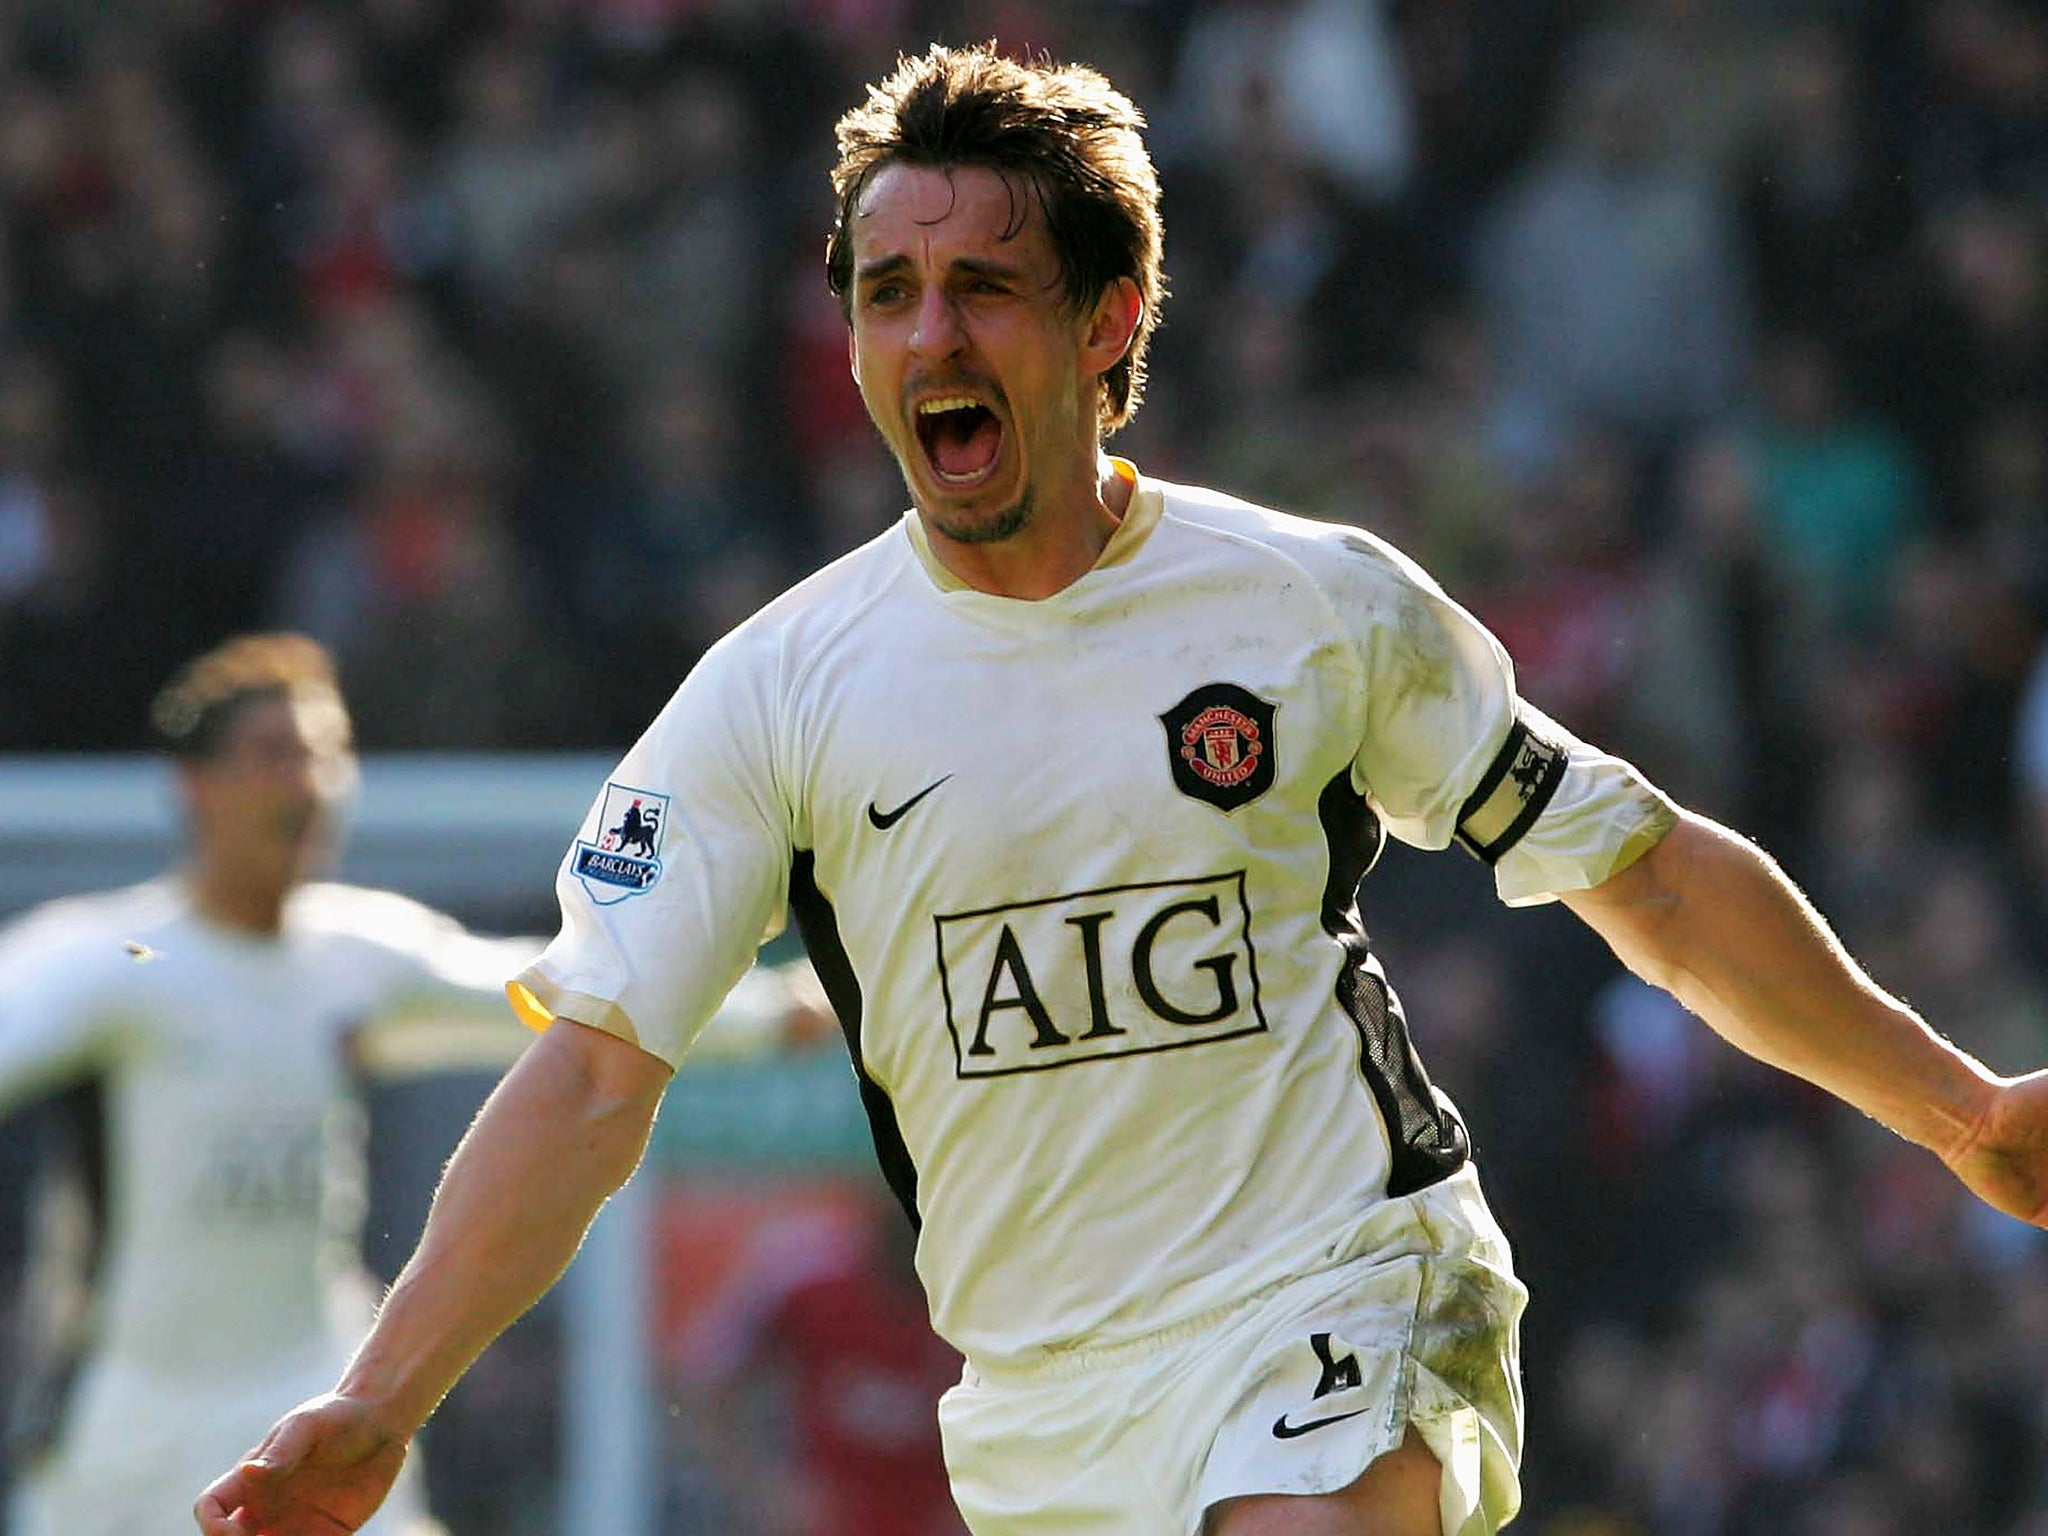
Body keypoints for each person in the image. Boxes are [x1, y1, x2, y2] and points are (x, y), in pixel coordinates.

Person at [199, 45, 2048, 1536]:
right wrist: (380, 1405)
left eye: (984, 287)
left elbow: (1635, 873)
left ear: (1107, 318)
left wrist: (1957, 1109)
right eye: (888, 292)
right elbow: (594, 1075)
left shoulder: (1307, 602)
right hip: (1043, 1407)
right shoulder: (772, 696)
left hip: (1345, 1281)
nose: (929, 336)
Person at [0, 632, 821, 1536]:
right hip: (126, 1426)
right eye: (273, 756)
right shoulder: (107, 959)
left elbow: (560, 1002)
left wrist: (770, 1014)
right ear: (195, 785)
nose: (308, 785)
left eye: (326, 754)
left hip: (305, 1389)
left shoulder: (357, 953)